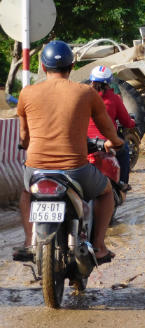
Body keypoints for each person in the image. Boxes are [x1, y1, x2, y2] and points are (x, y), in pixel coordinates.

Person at [14, 41, 124, 264]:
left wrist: (24, 145)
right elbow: (106, 128)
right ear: (72, 66)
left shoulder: (27, 93)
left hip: (36, 169)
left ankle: (29, 242)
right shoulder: (86, 92)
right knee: (106, 192)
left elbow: (24, 135)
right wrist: (116, 141)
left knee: (26, 193)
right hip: (75, 170)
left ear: (43, 67)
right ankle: (100, 247)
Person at [86, 65, 136, 191]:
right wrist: (132, 123)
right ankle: (123, 183)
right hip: (106, 142)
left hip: (85, 142)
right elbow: (126, 122)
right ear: (109, 82)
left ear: (91, 80)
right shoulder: (114, 98)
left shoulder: (83, 96)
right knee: (124, 149)